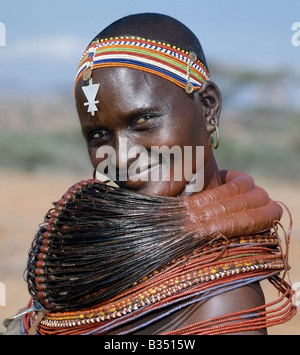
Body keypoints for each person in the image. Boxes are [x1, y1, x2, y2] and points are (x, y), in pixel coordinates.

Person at [5, 13, 296, 335]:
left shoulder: (218, 303)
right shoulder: (97, 253)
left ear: (209, 107)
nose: (121, 155)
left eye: (142, 121)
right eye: (98, 135)